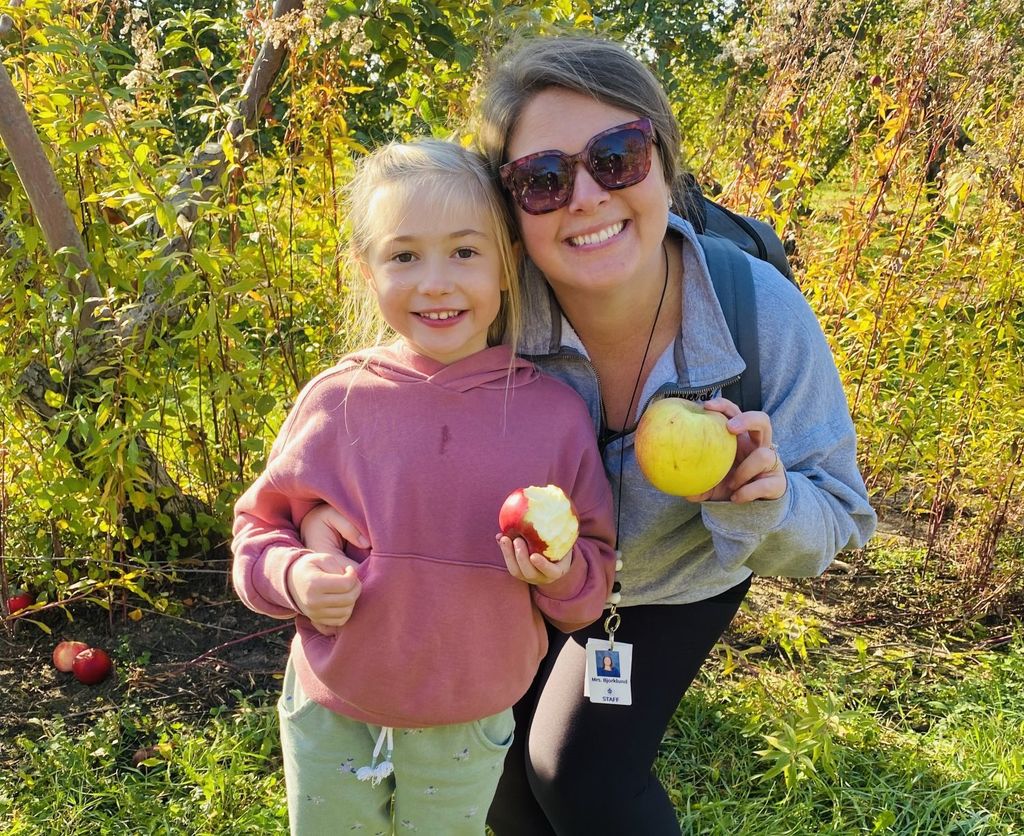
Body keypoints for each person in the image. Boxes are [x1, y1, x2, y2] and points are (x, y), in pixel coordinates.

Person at [303, 35, 877, 835]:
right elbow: (392, 399)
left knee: (580, 778)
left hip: (668, 583)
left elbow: (840, 517)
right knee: (497, 770)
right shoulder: (493, 301)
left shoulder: (758, 313)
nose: (584, 197)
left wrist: (760, 502)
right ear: (510, 211)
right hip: (516, 572)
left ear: (664, 162)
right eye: (542, 179)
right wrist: (326, 510)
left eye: (617, 156)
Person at [231, 138, 618, 836]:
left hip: (466, 721)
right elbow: (257, 534)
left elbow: (591, 581)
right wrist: (294, 573)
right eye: (404, 255)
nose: (435, 282)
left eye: (465, 252)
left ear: (508, 263)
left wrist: (559, 573)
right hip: (333, 710)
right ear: (366, 270)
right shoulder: (336, 401)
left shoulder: (552, 417)